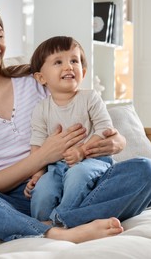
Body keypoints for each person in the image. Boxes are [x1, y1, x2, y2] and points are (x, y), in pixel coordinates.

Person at [0, 3, 151, 243]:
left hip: (71, 182)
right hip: (10, 201)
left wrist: (117, 142)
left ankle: (51, 223)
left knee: (147, 172)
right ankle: (59, 231)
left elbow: (93, 117)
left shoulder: (34, 80)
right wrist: (41, 157)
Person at [24, 36, 115, 226]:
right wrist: (37, 175)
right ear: (41, 77)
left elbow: (105, 128)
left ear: (83, 71)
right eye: (58, 62)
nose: (68, 67)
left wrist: (82, 151)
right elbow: (37, 144)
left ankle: (60, 221)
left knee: (77, 175)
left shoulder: (89, 97)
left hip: (93, 161)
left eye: (74, 61)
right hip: (56, 167)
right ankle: (39, 226)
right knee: (42, 191)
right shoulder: (41, 109)